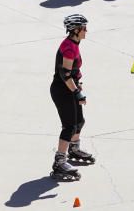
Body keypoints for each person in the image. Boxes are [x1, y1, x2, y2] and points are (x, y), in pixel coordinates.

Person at [50, 14, 95, 182]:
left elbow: (72, 72)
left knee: (79, 121)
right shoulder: (69, 47)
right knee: (69, 126)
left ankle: (74, 149)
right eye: (84, 28)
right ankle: (59, 161)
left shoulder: (74, 43)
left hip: (69, 87)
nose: (86, 31)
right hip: (62, 91)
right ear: (76, 30)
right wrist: (77, 92)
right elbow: (65, 74)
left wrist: (77, 84)